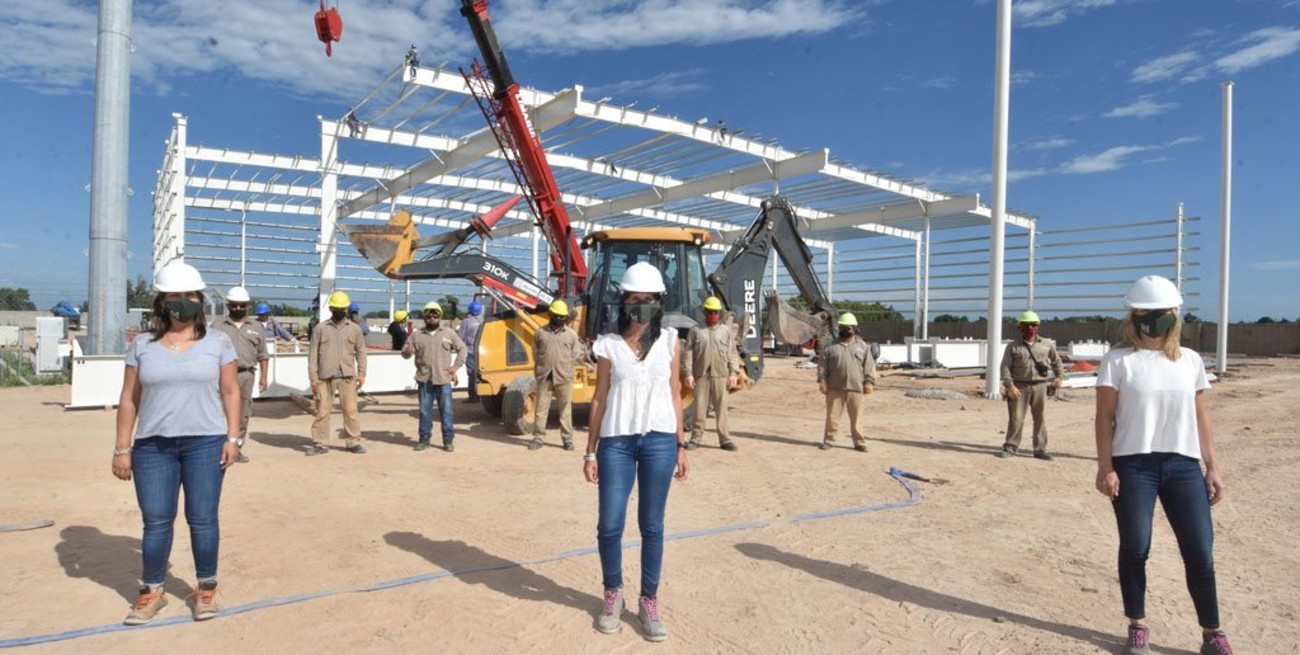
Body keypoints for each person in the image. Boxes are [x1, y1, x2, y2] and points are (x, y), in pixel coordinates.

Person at [1094, 275, 1233, 655]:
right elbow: (1104, 417)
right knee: (1136, 547)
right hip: (1133, 465)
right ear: (1133, 317)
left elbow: (1201, 417)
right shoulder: (1118, 360)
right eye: (1144, 313)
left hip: (1184, 466)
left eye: (1160, 313)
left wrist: (1213, 467)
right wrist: (1105, 466)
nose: (1152, 319)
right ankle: (1137, 625)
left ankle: (1212, 632)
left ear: (1174, 316)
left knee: (1200, 551)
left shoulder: (1189, 361)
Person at [112, 261, 241, 625]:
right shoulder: (142, 346)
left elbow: (231, 391)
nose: (181, 302)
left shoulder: (218, 342)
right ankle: (152, 592)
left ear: (199, 301)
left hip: (205, 442)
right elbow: (129, 398)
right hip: (153, 446)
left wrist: (233, 437)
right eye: (173, 296)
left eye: (188, 295)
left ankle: (206, 590)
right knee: (156, 522)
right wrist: (122, 448)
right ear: (161, 302)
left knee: (202, 519)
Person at [583, 262, 688, 642]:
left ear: (659, 301)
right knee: (610, 524)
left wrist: (680, 443)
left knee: (652, 525)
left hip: (660, 440)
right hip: (617, 444)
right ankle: (613, 594)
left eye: (649, 299)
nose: (641, 304)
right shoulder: (608, 344)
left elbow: (676, 393)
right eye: (634, 298)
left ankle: (648, 600)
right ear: (623, 300)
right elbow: (598, 398)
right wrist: (590, 451)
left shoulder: (671, 341)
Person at [997, 310, 1065, 460]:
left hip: (1040, 386)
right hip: (1019, 386)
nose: (1030, 328)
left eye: (1033, 325)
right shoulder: (1013, 346)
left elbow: (1057, 362)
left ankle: (1040, 450)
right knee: (1016, 418)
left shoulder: (1046, 344)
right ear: (1020, 327)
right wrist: (1010, 386)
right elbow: (1005, 367)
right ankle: (1011, 446)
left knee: (1040, 418)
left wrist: (1059, 377)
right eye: (1026, 325)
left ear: (1038, 327)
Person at [306, 290, 367, 456]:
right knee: (322, 411)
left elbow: (361, 352)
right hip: (325, 377)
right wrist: (313, 378)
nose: (339, 311)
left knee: (351, 411)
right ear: (331, 309)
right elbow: (312, 355)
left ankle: (353, 442)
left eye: (342, 309)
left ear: (346, 309)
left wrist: (361, 374)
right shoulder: (320, 329)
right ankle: (320, 443)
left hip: (347, 376)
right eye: (336, 309)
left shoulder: (354, 329)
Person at [212, 287, 268, 464]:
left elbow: (263, 355)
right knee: (216, 412)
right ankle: (216, 449)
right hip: (220, 375)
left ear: (247, 306)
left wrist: (264, 377)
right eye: (234, 305)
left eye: (241, 305)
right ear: (228, 305)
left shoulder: (256, 327)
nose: (237, 308)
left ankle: (237, 448)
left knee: (242, 413)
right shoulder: (217, 326)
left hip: (245, 376)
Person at [402, 301, 467, 452]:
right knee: (424, 411)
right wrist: (407, 351)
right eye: (429, 314)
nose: (432, 317)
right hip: (425, 380)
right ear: (424, 316)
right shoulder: (417, 335)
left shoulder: (449, 333)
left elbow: (462, 349)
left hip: (443, 380)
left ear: (440, 316)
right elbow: (405, 354)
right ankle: (424, 439)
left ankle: (448, 440)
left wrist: (455, 367)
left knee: (447, 411)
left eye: (435, 314)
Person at [684, 296, 740, 451]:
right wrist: (688, 373)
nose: (712, 315)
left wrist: (734, 374)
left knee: (722, 409)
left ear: (719, 313)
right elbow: (688, 354)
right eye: (709, 312)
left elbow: (732, 354)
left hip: (721, 375)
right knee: (699, 409)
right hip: (701, 375)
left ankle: (725, 440)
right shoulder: (695, 331)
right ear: (704, 312)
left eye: (715, 312)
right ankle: (695, 439)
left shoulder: (725, 332)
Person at [529, 300, 585, 451]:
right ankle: (538, 438)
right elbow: (535, 352)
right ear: (550, 314)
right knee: (541, 409)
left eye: (562, 316)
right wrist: (542, 365)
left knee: (565, 410)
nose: (559, 318)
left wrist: (565, 366)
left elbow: (576, 354)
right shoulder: (540, 333)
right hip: (544, 375)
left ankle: (567, 439)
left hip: (564, 377)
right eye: (556, 315)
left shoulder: (571, 335)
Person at [817, 312, 876, 452]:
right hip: (835, 388)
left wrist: (869, 382)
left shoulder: (862, 347)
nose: (846, 329)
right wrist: (822, 380)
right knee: (832, 416)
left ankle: (859, 442)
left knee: (857, 418)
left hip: (856, 388)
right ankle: (829, 441)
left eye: (849, 327)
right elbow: (822, 365)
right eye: (844, 327)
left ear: (855, 329)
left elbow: (869, 366)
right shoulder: (830, 347)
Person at [456, 301, 484, 403]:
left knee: (471, 373)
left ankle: (473, 396)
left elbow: (460, 338)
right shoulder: (484, 321)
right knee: (481, 372)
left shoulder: (466, 322)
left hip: (470, 350)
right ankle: (482, 395)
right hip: (483, 351)